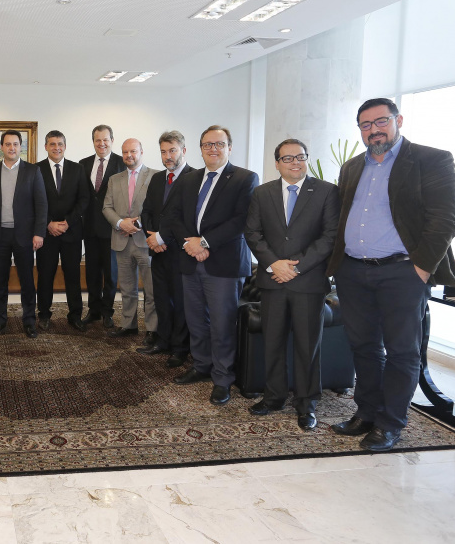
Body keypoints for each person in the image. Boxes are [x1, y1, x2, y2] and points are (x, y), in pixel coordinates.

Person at [327, 97, 455, 451]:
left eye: (381, 121)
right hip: (353, 271)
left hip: (403, 272)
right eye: (365, 125)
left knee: (402, 351)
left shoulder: (431, 160)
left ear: (398, 120)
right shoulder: (352, 167)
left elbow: (445, 219)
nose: (374, 130)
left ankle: (390, 424)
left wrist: (420, 269)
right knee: (363, 346)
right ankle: (367, 413)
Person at [244, 139, 340, 430]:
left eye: (300, 157)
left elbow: (330, 236)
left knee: (307, 346)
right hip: (273, 280)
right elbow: (252, 232)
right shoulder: (262, 193)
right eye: (287, 158)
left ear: (307, 159)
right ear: (277, 163)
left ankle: (306, 403)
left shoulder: (326, 191)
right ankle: (273, 397)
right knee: (272, 342)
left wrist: (296, 266)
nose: (294, 162)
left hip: (308, 281)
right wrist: (274, 264)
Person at [163, 125, 258, 406]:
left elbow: (241, 220)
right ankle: (202, 365)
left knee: (222, 323)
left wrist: (204, 243)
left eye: (219, 144)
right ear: (200, 148)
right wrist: (190, 244)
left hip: (224, 264)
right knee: (196, 320)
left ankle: (223, 378)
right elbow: (173, 215)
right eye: (207, 144)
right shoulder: (189, 179)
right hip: (190, 260)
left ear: (229, 147)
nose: (213, 149)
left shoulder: (245, 178)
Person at [0, 129, 48, 338]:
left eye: (15, 144)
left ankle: (29, 321)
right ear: (1, 147)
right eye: (8, 144)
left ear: (21, 147)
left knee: (27, 280)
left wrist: (39, 233)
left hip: (25, 236)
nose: (12, 148)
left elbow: (41, 204)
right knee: (0, 281)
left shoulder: (33, 171)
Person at [139, 131, 195, 366]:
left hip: (181, 251)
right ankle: (163, 340)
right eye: (163, 151)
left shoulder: (194, 178)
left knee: (180, 301)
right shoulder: (157, 179)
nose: (168, 156)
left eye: (172, 150)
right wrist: (152, 237)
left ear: (183, 150)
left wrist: (163, 238)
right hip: (158, 250)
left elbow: (187, 217)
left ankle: (180, 348)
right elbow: (147, 212)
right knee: (161, 297)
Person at [102, 138, 157, 341]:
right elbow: (107, 207)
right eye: (125, 152)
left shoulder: (155, 176)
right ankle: (128, 325)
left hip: (146, 241)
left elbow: (158, 208)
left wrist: (137, 223)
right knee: (126, 288)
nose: (129, 155)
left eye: (133, 151)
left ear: (141, 152)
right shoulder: (114, 179)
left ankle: (152, 329)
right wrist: (120, 223)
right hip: (121, 240)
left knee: (151, 290)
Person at [36, 130, 90, 332]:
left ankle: (75, 315)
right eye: (52, 144)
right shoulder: (36, 169)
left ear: (65, 146)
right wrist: (48, 223)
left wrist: (68, 222)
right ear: (45, 147)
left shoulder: (78, 169)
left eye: (60, 144)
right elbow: (34, 200)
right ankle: (44, 314)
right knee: (45, 275)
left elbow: (84, 199)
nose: (56, 148)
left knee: (73, 275)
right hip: (47, 233)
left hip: (71, 232)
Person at [79, 125, 125, 329]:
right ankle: (94, 310)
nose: (102, 143)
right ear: (93, 142)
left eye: (105, 139)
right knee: (92, 273)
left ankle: (108, 311)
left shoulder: (122, 163)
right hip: (89, 228)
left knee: (111, 273)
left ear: (112, 140)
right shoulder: (83, 164)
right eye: (98, 140)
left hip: (112, 228)